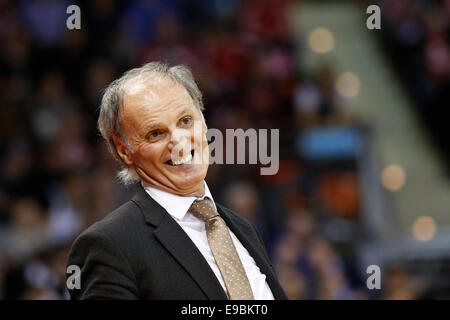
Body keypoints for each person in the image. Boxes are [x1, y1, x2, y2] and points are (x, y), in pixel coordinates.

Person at [66, 62, 287, 300]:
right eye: (156, 133)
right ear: (124, 150)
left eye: (185, 121)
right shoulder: (108, 245)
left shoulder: (243, 228)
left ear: (203, 121)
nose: (180, 141)